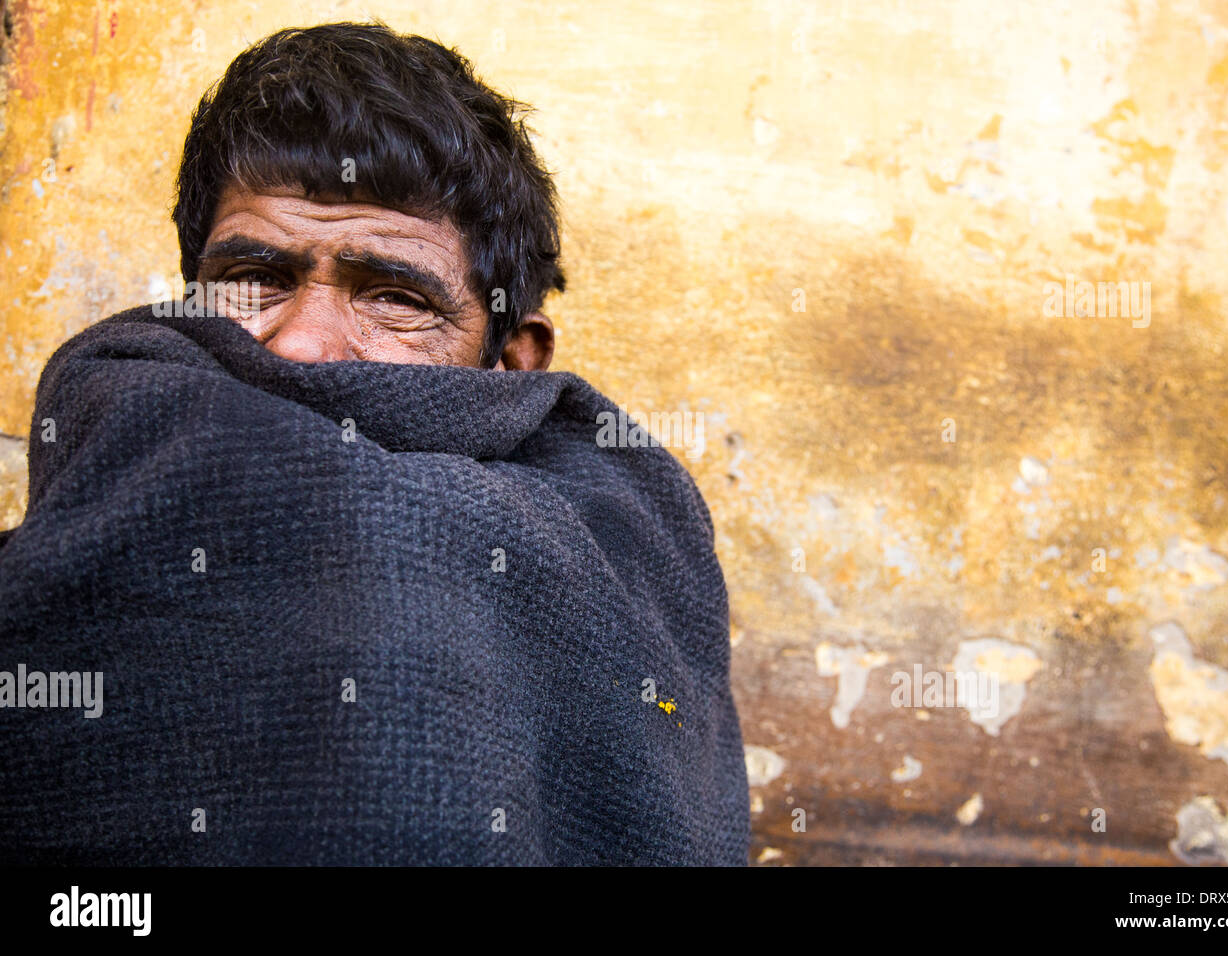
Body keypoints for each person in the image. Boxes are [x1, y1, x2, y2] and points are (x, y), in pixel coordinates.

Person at [0, 21, 750, 866]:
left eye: (395, 297)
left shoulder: (611, 552)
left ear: (509, 363)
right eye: (254, 280)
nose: (300, 345)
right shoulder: (84, 531)